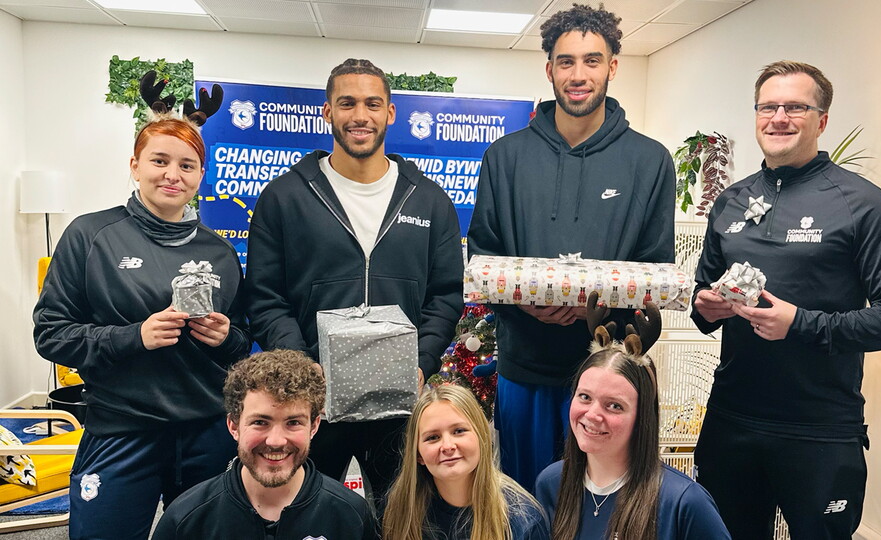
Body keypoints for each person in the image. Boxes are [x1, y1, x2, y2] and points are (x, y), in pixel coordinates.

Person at [691, 60, 881, 539]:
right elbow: (704, 295)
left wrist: (802, 324)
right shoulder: (731, 201)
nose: (779, 117)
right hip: (732, 420)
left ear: (822, 120)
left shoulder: (861, 203)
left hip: (820, 430)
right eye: (768, 107)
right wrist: (704, 306)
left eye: (795, 107)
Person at [467, 3, 676, 491]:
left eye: (592, 60)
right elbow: (483, 258)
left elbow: (654, 270)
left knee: (606, 504)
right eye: (566, 62)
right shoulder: (505, 157)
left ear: (613, 67)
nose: (578, 75)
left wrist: (602, 317)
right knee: (526, 498)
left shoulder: (650, 161)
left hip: (610, 376)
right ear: (549, 70)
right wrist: (526, 306)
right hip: (526, 372)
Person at [33, 80, 251, 540]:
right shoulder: (90, 235)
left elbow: (243, 346)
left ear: (200, 175)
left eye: (187, 165)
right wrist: (136, 336)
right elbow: (50, 334)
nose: (173, 174)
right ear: (135, 166)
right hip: (120, 429)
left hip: (205, 433)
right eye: (159, 161)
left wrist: (225, 337)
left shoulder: (222, 253)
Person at [245, 58, 464, 504]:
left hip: (400, 405)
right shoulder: (283, 198)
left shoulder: (430, 200)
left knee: (403, 521)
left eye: (372, 103)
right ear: (327, 112)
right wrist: (305, 370)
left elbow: (445, 297)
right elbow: (265, 298)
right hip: (313, 406)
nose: (359, 115)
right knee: (304, 516)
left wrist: (420, 362)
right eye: (347, 103)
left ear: (391, 112)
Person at [534, 311, 730, 540]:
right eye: (585, 397)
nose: (593, 414)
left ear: (642, 417)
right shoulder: (551, 483)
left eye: (614, 406)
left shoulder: (683, 502)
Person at [153, 349, 378, 539]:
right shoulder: (185, 520)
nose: (276, 441)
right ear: (233, 426)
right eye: (260, 422)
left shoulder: (351, 515)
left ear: (314, 426)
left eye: (293, 422)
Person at [382, 384, 549, 540]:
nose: (447, 446)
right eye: (433, 437)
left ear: (482, 437)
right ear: (418, 454)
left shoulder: (523, 519)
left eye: (459, 431)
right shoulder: (400, 509)